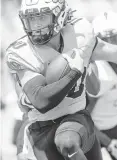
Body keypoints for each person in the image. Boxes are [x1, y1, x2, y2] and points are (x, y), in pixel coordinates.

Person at [6, 0, 117, 160]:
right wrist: (74, 73)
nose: (35, 25)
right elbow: (42, 101)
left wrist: (87, 65)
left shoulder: (80, 34)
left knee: (67, 142)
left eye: (41, 17)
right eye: (31, 19)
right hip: (40, 128)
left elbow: (110, 52)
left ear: (59, 15)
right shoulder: (22, 52)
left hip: (76, 120)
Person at [87, 11, 117, 160]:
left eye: (115, 38)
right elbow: (83, 119)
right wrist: (108, 142)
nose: (111, 44)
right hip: (98, 135)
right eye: (106, 40)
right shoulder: (98, 75)